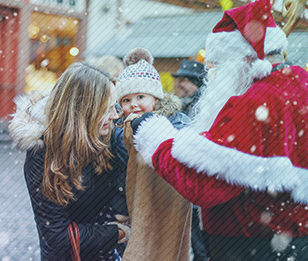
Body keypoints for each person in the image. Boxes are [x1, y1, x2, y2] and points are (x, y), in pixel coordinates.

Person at [128, 0, 308, 259]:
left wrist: (154, 136)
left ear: (245, 58)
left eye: (219, 66)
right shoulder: (300, 83)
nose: (213, 75)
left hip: (251, 245)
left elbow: (204, 185)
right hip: (293, 239)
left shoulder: (257, 101)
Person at [9, 63, 129, 260]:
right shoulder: (42, 151)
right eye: (106, 110)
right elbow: (56, 237)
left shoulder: (110, 135)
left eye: (114, 107)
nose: (115, 116)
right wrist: (118, 233)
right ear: (83, 111)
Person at [113, 47, 192, 260]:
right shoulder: (121, 128)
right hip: (131, 205)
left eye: (140, 96)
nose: (134, 104)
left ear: (156, 99)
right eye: (126, 100)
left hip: (164, 205)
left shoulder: (174, 123)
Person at [172, 59, 210, 261]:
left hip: (196, 186)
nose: (178, 84)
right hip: (190, 186)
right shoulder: (186, 105)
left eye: (184, 80)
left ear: (196, 83)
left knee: (199, 246)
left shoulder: (200, 106)